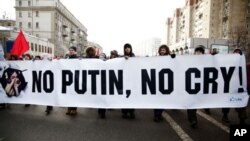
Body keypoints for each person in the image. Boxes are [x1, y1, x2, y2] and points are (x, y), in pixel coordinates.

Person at [221, 48, 247, 124]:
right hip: (229, 88)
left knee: (242, 103)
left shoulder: (243, 66)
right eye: (235, 53)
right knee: (227, 102)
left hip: (239, 89)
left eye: (238, 53)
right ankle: (225, 115)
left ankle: (242, 119)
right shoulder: (228, 64)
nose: (237, 54)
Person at [187, 45, 205, 128]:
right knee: (191, 103)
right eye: (197, 51)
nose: (199, 53)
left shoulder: (207, 61)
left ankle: (192, 118)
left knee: (196, 103)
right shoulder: (190, 60)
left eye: (200, 52)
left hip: (201, 86)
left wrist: (214, 57)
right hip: (190, 86)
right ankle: (192, 120)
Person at [153, 44, 171, 122]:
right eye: (161, 50)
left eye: (164, 50)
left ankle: (159, 114)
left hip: (166, 82)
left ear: (166, 51)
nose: (162, 51)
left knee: (163, 100)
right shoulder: (156, 59)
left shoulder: (170, 58)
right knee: (157, 100)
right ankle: (156, 115)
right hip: (157, 82)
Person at [121, 43, 136, 119]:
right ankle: (124, 112)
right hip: (124, 80)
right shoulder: (121, 58)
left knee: (131, 96)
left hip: (132, 80)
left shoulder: (134, 57)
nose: (127, 49)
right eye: (125, 48)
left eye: (128, 48)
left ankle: (131, 111)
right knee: (124, 96)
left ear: (130, 49)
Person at [65, 46, 78, 115]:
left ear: (75, 51)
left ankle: (74, 109)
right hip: (68, 78)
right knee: (69, 94)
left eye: (72, 50)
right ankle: (69, 108)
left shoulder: (77, 58)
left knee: (74, 94)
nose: (70, 51)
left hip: (75, 78)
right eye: (70, 50)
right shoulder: (67, 58)